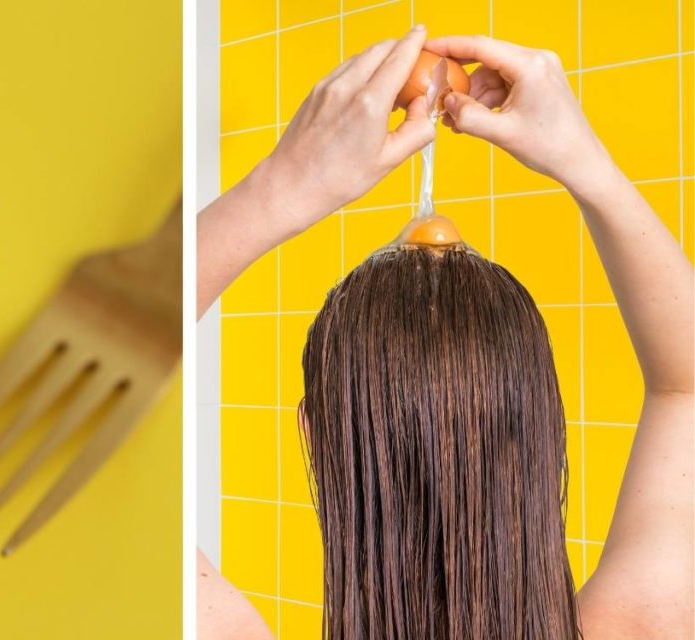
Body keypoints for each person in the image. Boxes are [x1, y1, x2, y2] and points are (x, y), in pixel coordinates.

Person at [196, 26, 694, 639]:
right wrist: (584, 162)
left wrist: (283, 186)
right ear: (544, 420)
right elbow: (688, 386)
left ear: (314, 429)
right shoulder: (639, 626)